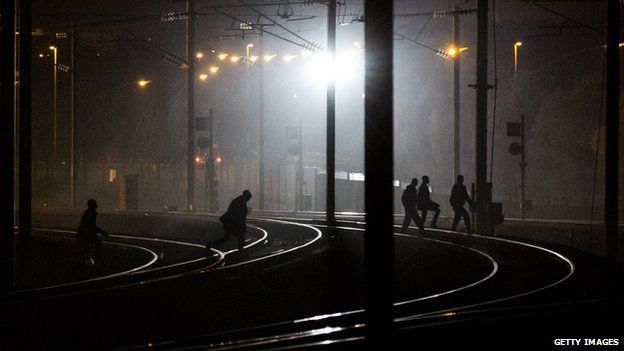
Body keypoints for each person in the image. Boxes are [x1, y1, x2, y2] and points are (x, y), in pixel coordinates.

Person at [76, 199, 109, 266]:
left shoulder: (87, 213)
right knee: (97, 244)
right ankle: (95, 261)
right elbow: (92, 226)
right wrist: (103, 232)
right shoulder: (91, 214)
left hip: (84, 234)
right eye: (95, 204)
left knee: (85, 248)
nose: (97, 205)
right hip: (87, 234)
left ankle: (84, 262)